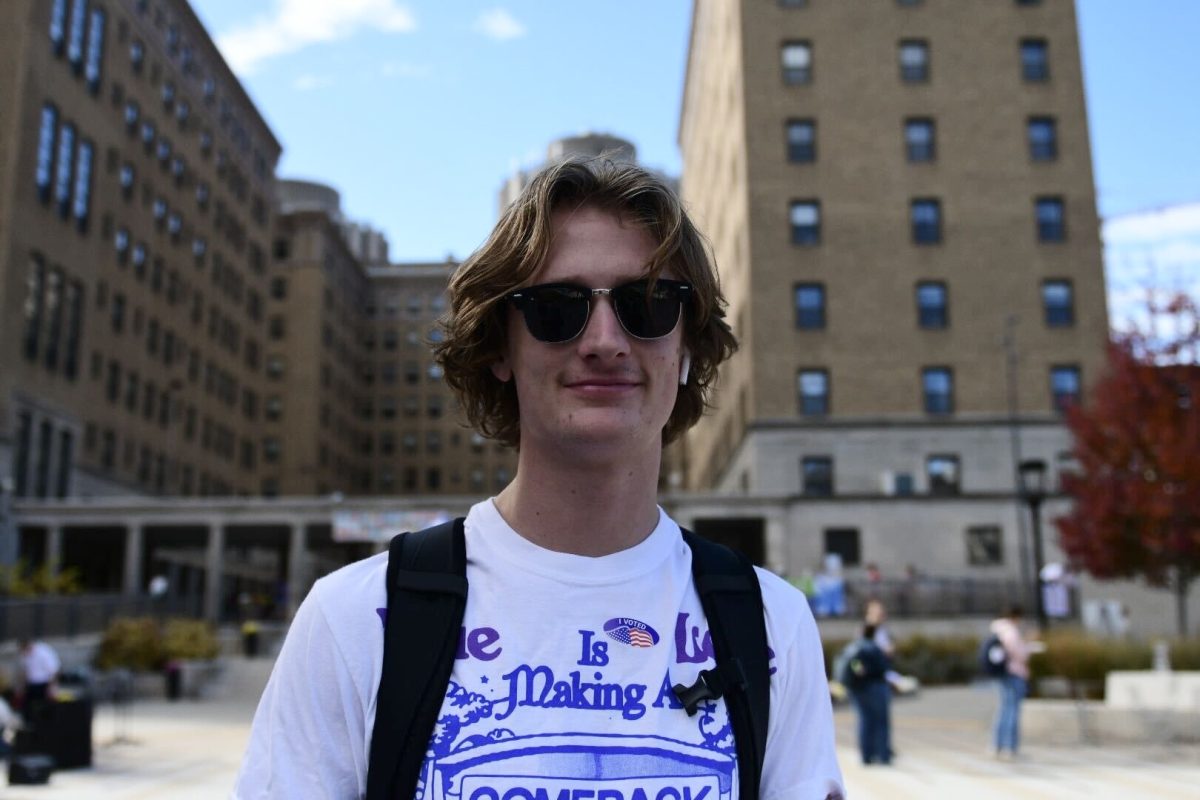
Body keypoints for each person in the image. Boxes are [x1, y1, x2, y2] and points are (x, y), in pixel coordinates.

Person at [233, 160, 845, 799]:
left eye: (649, 304)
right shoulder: (355, 619)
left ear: (687, 347)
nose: (605, 340)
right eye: (558, 308)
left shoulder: (773, 623)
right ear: (500, 347)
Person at [840, 623, 891, 765]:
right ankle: (883, 755)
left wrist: (859, 672)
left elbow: (855, 664)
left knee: (864, 720)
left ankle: (866, 755)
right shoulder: (872, 648)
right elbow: (882, 668)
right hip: (874, 687)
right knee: (881, 722)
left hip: (857, 689)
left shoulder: (853, 647)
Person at [990, 605, 1035, 759]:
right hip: (1014, 673)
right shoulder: (1011, 632)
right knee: (1012, 710)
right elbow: (1019, 654)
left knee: (1004, 709)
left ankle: (998, 744)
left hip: (1004, 673)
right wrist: (1028, 646)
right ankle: (1009, 747)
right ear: (1016, 617)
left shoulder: (998, 630)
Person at [18, 639, 59, 717]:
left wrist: (52, 686)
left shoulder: (43, 652)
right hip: (31, 684)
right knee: (28, 706)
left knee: (46, 707)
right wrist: (22, 686)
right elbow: (24, 671)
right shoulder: (24, 656)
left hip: (44, 683)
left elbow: (53, 670)